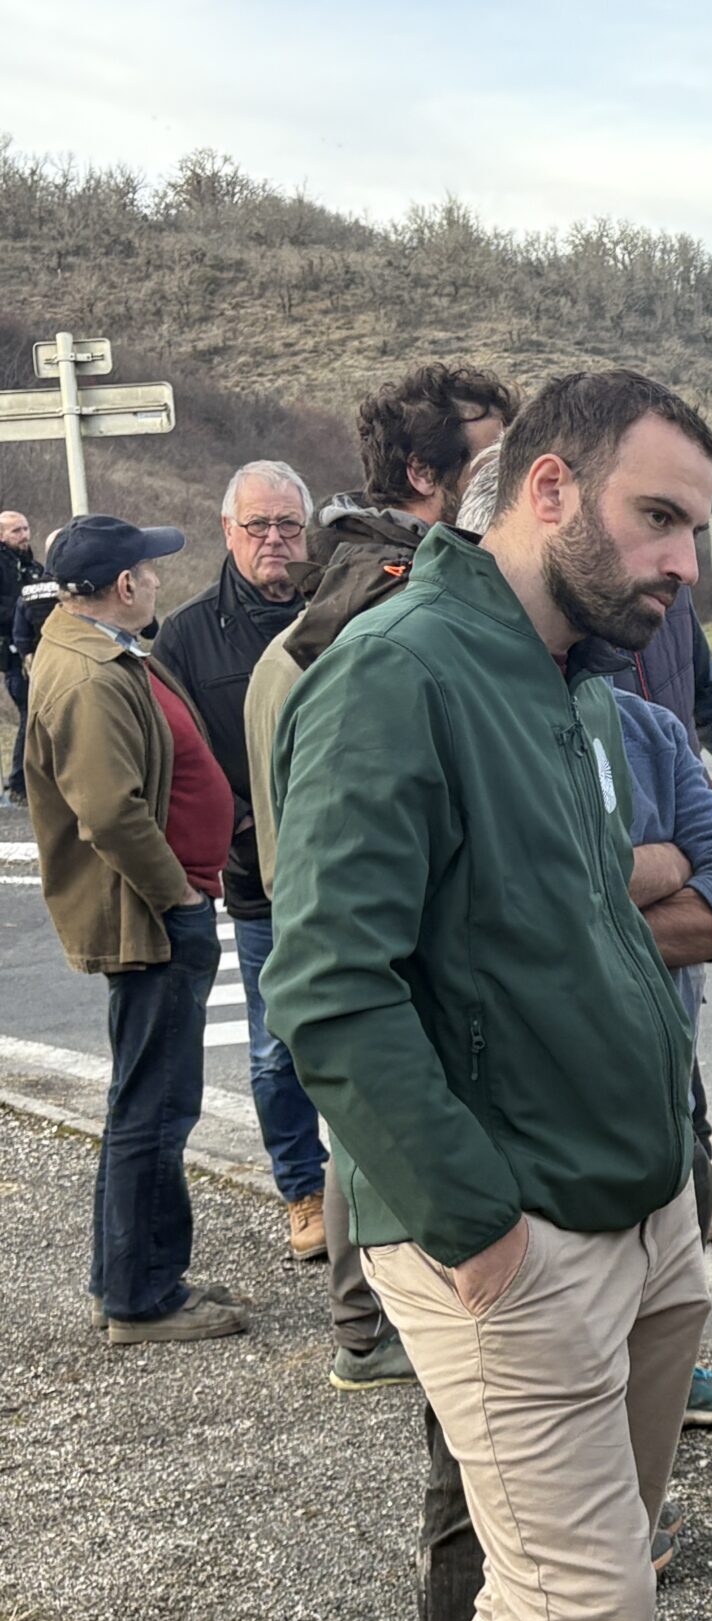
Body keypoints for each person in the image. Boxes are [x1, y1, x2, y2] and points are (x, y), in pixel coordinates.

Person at [264, 369, 712, 1621]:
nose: (683, 563)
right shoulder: (399, 670)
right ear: (547, 489)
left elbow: (593, 924)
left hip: (642, 1216)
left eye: (694, 528)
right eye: (656, 517)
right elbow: (330, 987)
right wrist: (476, 1225)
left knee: (540, 1619)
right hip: (514, 1241)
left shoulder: (575, 685)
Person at [243, 363, 517, 1391]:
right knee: (475, 1359)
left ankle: (370, 1320)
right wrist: (476, 1227)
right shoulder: (386, 627)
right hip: (436, 1013)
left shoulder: (343, 601)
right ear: (422, 472)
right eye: (493, 457)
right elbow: (342, 971)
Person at [21, 515, 246, 1345]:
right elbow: (110, 813)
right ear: (124, 585)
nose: (159, 580)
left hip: (161, 909)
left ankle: (143, 1276)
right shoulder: (87, 675)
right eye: (150, 570)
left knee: (153, 1103)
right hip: (150, 918)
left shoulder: (107, 652)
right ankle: (139, 1297)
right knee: (153, 1108)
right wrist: (179, 898)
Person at [153, 461, 323, 1260]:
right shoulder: (187, 637)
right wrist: (241, 835)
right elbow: (182, 766)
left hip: (354, 866)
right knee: (275, 1045)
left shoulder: (345, 609)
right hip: (258, 881)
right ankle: (304, 1189)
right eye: (258, 526)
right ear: (229, 533)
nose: (276, 542)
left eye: (289, 525)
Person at [613, 585, 712, 1248]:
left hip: (680, 848)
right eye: (657, 520)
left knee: (679, 1032)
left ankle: (689, 1181)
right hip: (653, 856)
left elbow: (706, 680)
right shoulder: (569, 611)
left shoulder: (665, 592)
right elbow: (564, 886)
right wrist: (680, 856)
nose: (679, 561)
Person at [1, 509, 43, 804]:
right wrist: (22, 608)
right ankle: (19, 783)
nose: (24, 535)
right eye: (16, 530)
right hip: (13, 654)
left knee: (37, 716)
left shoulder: (32, 566)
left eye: (26, 528)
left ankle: (28, 780)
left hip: (37, 651)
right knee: (31, 715)